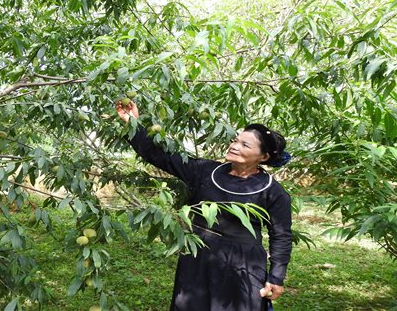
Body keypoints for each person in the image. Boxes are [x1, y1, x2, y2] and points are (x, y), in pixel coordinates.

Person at [116, 101, 293, 311]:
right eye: (235, 140)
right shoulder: (205, 171)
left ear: (263, 157)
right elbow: (160, 156)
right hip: (198, 256)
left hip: (243, 264)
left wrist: (276, 276)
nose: (234, 146)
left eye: (245, 145)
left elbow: (281, 235)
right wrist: (133, 122)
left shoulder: (272, 191)